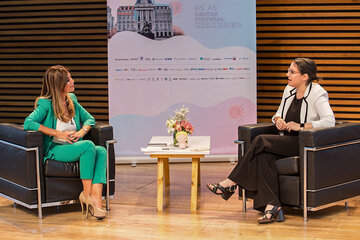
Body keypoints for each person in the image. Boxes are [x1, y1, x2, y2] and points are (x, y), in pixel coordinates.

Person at [207, 58, 335, 224]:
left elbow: (329, 121)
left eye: (292, 72)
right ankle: (273, 206)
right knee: (263, 157)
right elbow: (277, 113)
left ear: (305, 76)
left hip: (303, 143)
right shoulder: (288, 90)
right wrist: (278, 120)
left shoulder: (317, 93)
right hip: (285, 141)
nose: (287, 74)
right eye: (288, 70)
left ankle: (231, 182)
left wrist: (302, 126)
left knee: (260, 140)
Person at [24, 65, 107, 220]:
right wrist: (59, 134)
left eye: (71, 78)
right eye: (68, 79)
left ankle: (96, 201)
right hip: (56, 149)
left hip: (74, 147)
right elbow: (28, 123)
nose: (72, 81)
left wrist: (82, 132)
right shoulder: (45, 104)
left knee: (102, 151)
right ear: (58, 84)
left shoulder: (72, 100)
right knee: (88, 146)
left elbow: (90, 119)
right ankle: (86, 195)